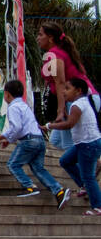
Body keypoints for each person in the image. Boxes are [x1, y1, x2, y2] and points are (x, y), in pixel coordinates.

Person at [0, 79, 67, 206]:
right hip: (39, 140)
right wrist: (9, 139)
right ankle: (59, 191)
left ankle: (30, 187)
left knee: (13, 164)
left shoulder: (13, 107)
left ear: (7, 94)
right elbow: (23, 127)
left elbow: (17, 127)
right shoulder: (25, 106)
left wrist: (1, 137)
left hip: (28, 141)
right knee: (38, 168)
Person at [37, 21, 96, 153]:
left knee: (69, 144)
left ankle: (85, 169)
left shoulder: (55, 55)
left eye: (40, 35)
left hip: (75, 100)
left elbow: (61, 83)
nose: (38, 38)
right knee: (55, 143)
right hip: (82, 98)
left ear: (50, 38)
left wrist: (60, 110)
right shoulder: (59, 52)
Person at [46, 76, 101, 214]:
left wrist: (49, 126)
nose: (64, 92)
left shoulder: (77, 105)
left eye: (67, 89)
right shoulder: (82, 102)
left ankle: (98, 207)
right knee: (65, 161)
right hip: (83, 144)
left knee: (88, 176)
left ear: (78, 91)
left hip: (88, 144)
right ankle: (83, 186)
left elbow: (69, 124)